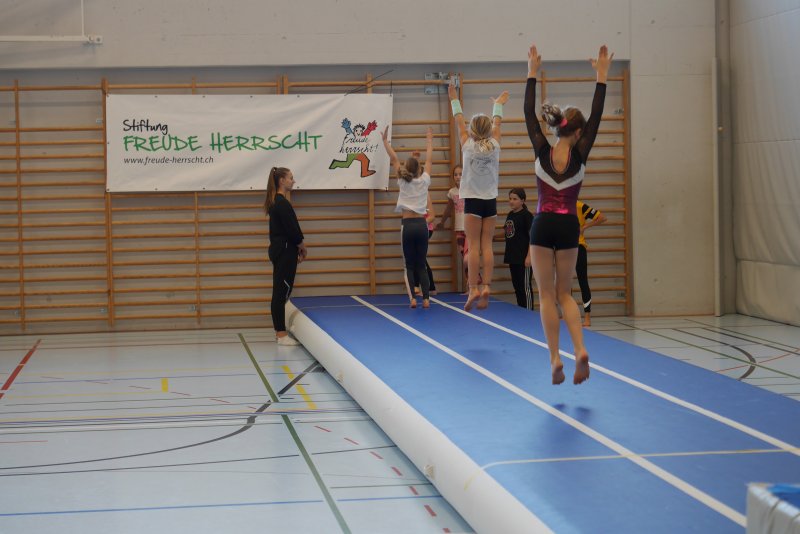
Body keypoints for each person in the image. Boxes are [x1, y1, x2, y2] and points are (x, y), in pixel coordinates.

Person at [524, 44, 613, 385]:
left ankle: (554, 358)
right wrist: (601, 76)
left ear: (557, 128)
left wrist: (532, 72)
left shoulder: (541, 148)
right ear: (578, 133)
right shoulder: (581, 154)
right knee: (565, 293)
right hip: (568, 226)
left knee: (546, 295)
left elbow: (528, 111)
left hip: (542, 224)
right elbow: (598, 114)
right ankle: (580, 349)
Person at [448, 80, 509, 310]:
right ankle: (487, 286)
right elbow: (497, 123)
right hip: (490, 201)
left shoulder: (467, 145)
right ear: (489, 130)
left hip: (473, 201)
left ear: (472, 131)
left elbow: (458, 120)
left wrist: (454, 98)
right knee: (487, 246)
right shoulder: (495, 144)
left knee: (473, 246)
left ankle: (473, 287)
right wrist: (498, 105)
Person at [381, 125, 434, 308]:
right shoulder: (425, 180)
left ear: (406, 169)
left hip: (408, 226)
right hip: (422, 225)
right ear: (419, 169)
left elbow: (394, 158)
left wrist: (385, 141)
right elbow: (429, 158)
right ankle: (426, 299)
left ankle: (412, 298)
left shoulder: (403, 181)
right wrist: (429, 140)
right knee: (421, 265)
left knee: (409, 265)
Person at [264, 167, 307, 346]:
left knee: (281, 292)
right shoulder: (281, 203)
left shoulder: (279, 202)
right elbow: (292, 230)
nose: (293, 181)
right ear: (281, 181)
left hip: (283, 250)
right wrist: (302, 246)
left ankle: (280, 332)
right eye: (290, 178)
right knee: (280, 292)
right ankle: (281, 334)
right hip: (285, 251)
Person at [576, 200, 607, 327]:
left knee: (583, 280)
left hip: (578, 247)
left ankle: (587, 317)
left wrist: (584, 227)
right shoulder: (558, 207)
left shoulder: (580, 206)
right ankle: (566, 314)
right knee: (564, 283)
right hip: (564, 248)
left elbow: (602, 217)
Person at [504, 188, 534, 310]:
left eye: (515, 199)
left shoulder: (527, 216)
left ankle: (529, 312)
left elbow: (533, 237)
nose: (511, 201)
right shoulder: (510, 215)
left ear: (522, 201)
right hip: (513, 257)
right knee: (517, 287)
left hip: (523, 258)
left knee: (525, 287)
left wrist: (529, 256)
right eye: (510, 198)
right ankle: (521, 311)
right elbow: (509, 232)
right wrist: (491, 237)